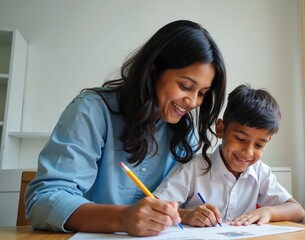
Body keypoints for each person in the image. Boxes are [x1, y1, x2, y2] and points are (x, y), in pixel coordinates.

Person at [24, 20, 227, 237]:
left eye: (203, 93)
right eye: (185, 86)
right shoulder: (92, 111)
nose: (193, 101)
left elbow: (168, 204)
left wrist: (185, 214)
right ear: (153, 71)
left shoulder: (186, 135)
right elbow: (43, 201)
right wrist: (123, 218)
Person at [153, 84, 305, 227]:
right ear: (220, 129)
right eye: (240, 139)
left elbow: (298, 211)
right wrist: (187, 215)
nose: (249, 152)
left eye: (259, 145)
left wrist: (269, 211)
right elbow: (155, 209)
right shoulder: (193, 168)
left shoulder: (260, 173)